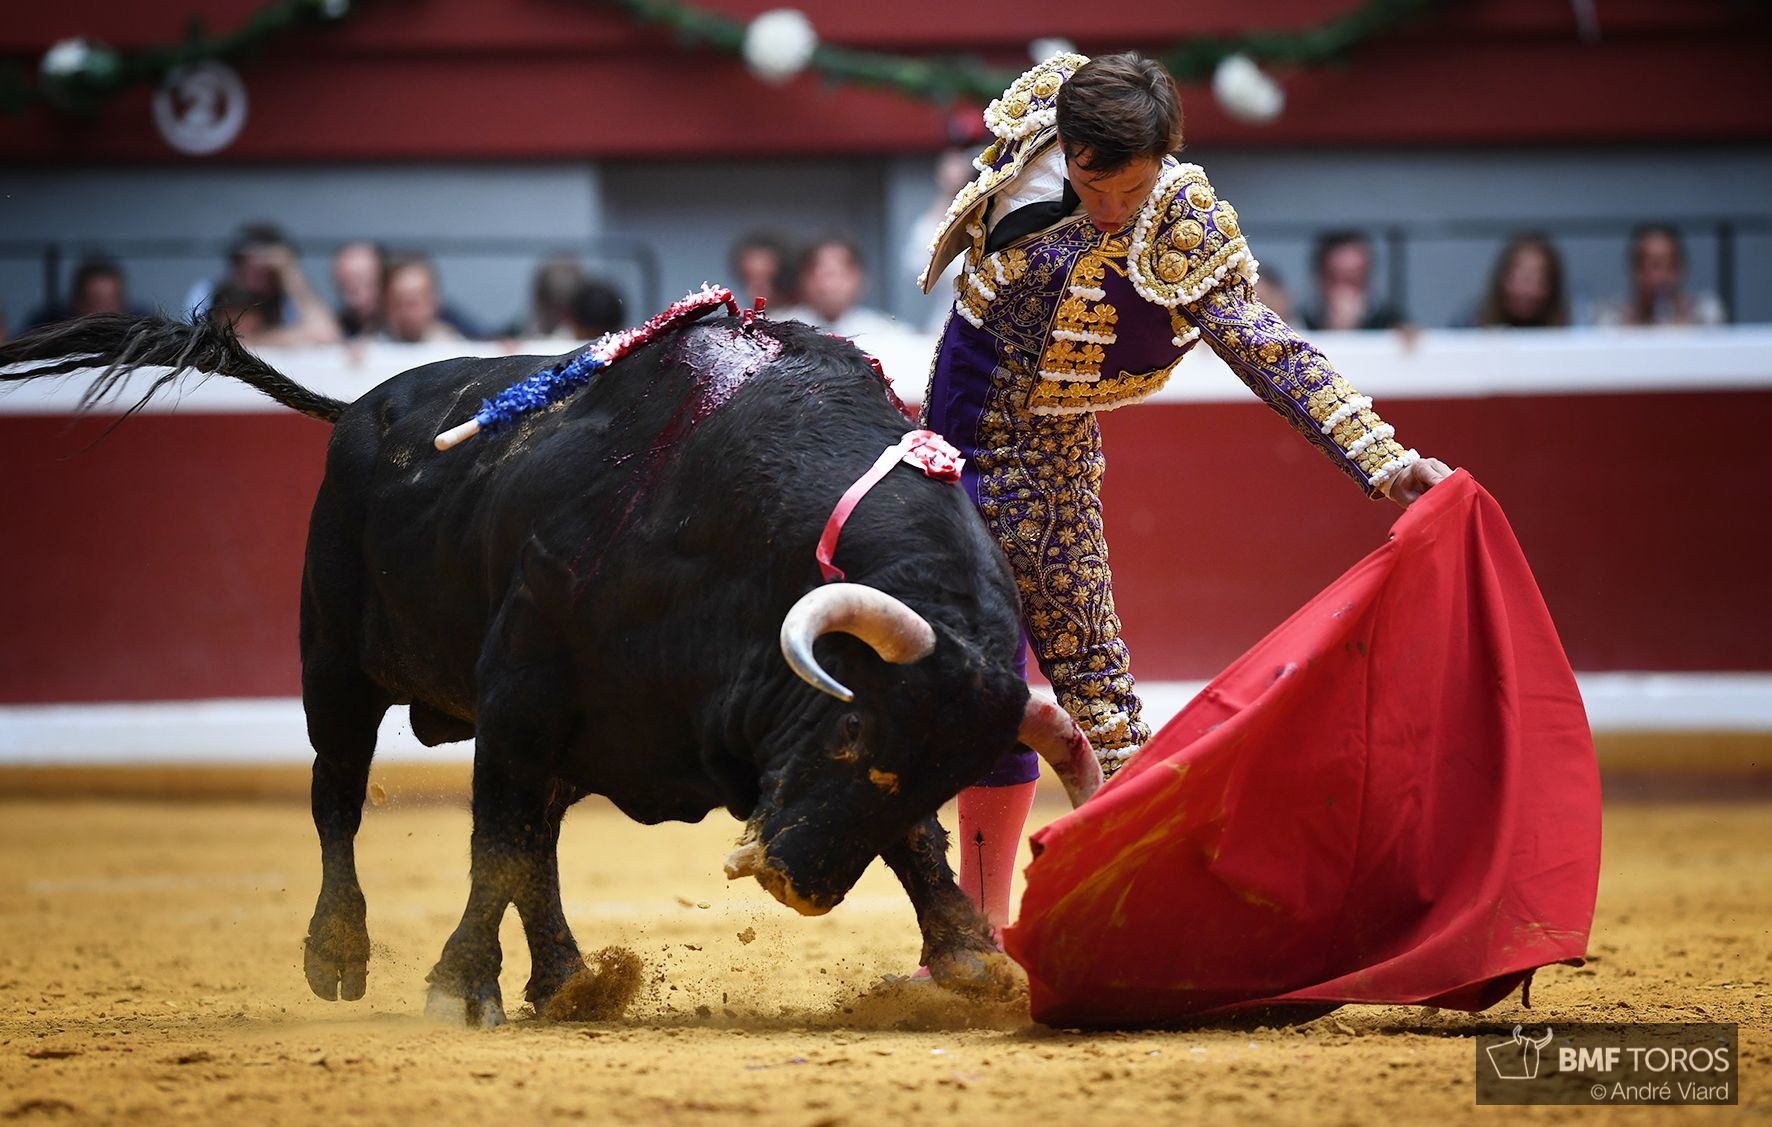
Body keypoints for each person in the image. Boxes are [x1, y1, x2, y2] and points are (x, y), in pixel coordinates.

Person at [915, 51, 1450, 942]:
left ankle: (1161, 926)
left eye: (1132, 188)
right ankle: (972, 942)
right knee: (972, 685)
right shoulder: (1046, 108)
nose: (1112, 209)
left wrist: (1382, 458)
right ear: (1065, 145)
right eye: (1095, 184)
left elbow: (1266, 346)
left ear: (1164, 159)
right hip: (939, 439)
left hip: (1039, 462)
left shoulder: (1179, 223)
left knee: (1097, 698)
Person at [185, 222, 341, 346]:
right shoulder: (208, 291)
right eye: (247, 261)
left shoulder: (286, 300)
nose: (257, 269)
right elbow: (197, 343)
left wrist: (290, 273)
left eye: (267, 264)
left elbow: (326, 336)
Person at [1592, 223, 1725, 326]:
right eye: (1655, 265)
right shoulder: (1612, 316)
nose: (1664, 275)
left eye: (1672, 265)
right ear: (1636, 270)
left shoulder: (1705, 312)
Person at [779, 235, 899, 344]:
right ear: (803, 278)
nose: (830, 285)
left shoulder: (888, 335)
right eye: (824, 275)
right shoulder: (781, 331)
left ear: (862, 278)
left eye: (841, 274)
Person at [1303, 229, 1402, 331]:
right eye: (1337, 279)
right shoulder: (1299, 324)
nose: (1345, 290)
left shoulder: (1391, 324)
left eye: (1354, 279)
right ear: (1319, 278)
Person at [1469, 231, 1569, 328]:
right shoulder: (1470, 327)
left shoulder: (1572, 332)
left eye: (1539, 280)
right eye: (1522, 278)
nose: (1528, 289)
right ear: (1503, 278)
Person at [24, 256, 140, 329]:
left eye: (110, 304)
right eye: (95, 303)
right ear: (76, 302)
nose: (104, 313)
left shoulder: (138, 329)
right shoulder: (46, 325)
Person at [379, 253, 464, 344]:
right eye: (398, 304)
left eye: (412, 303)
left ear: (434, 301)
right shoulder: (372, 347)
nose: (406, 312)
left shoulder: (456, 347)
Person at [331, 241, 385, 339]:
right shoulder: (334, 328)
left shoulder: (403, 327)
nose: (356, 301)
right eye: (348, 289)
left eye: (366, 284)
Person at [729, 230, 794, 309]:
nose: (756, 289)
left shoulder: (800, 314)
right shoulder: (740, 312)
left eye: (765, 277)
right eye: (749, 277)